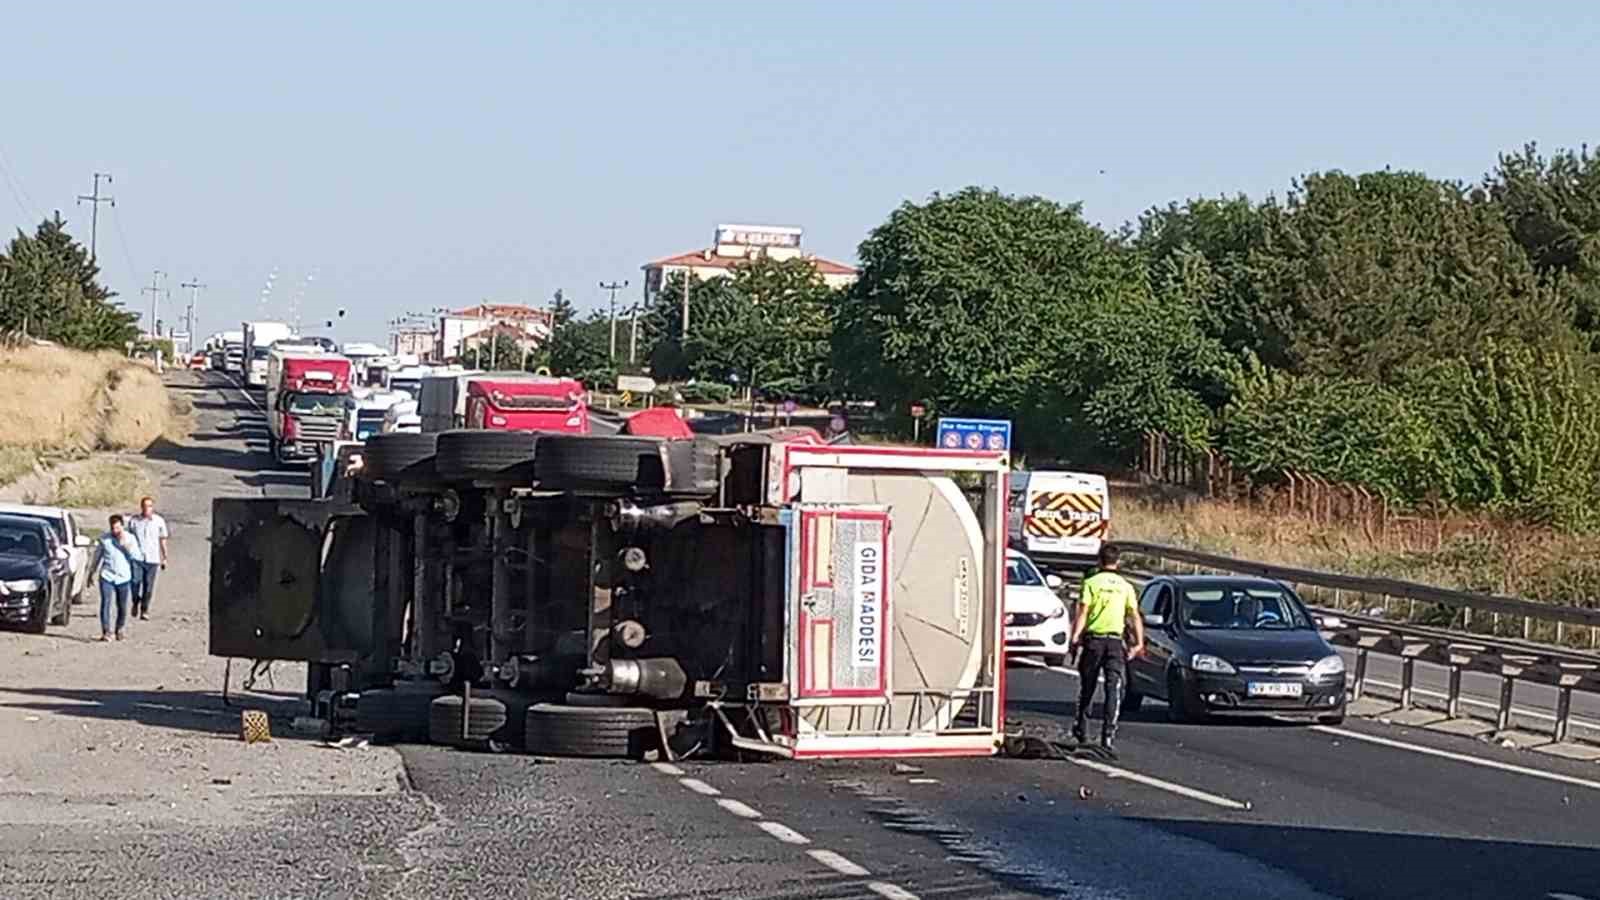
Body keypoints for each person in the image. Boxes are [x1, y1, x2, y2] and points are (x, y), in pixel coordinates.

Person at [1067, 544, 1145, 752]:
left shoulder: (1091, 583)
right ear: (1117, 562)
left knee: (1088, 687)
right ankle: (1108, 735)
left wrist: (1074, 639)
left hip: (1094, 641)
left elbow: (1082, 613)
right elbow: (1134, 616)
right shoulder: (1126, 586)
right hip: (1114, 642)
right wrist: (1139, 642)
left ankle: (1082, 730)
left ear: (1099, 561)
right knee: (1113, 689)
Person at [93, 515, 137, 641]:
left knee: (122, 605)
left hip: (123, 577)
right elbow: (97, 557)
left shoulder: (130, 538)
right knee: (106, 603)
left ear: (122, 526)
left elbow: (136, 556)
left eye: (117, 527)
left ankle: (120, 629)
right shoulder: (104, 540)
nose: (115, 531)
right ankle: (106, 631)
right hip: (107, 575)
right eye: (113, 528)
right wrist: (91, 572)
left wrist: (125, 545)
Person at [126, 495, 169, 620]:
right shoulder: (134, 521)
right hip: (137, 558)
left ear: (152, 507)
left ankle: (144, 609)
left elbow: (163, 539)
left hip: (152, 558)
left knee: (148, 586)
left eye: (149, 506)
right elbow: (128, 539)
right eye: (144, 506)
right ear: (141, 507)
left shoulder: (159, 521)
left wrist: (164, 557)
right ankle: (135, 601)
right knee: (134, 582)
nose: (146, 509)